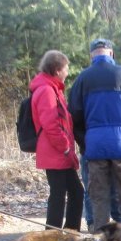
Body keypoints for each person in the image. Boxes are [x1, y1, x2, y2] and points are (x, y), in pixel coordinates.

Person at [68, 38, 121, 231]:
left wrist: (86, 141)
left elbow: (74, 115)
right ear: (111, 53)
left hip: (96, 145)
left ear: (91, 55)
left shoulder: (82, 78)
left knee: (99, 197)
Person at [30, 50, 83, 230]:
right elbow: (51, 124)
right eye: (66, 67)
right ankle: (54, 236)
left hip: (58, 152)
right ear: (57, 69)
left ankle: (68, 233)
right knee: (60, 195)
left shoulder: (52, 89)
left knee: (74, 192)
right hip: (55, 152)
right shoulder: (46, 90)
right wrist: (66, 147)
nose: (68, 71)